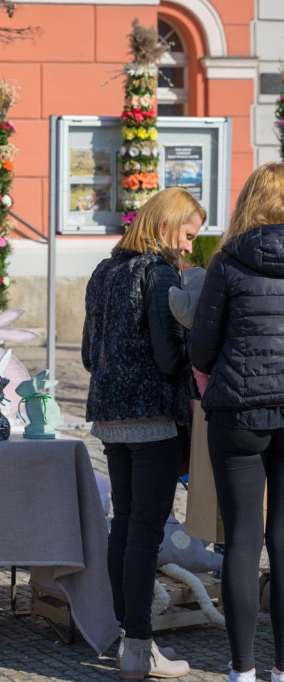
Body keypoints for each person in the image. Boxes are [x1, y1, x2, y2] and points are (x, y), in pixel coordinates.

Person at [82, 186, 204, 680]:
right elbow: (168, 357)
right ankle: (138, 647)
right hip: (154, 417)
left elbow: (88, 355)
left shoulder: (104, 270)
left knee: (125, 524)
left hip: (110, 416)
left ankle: (126, 637)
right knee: (145, 531)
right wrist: (197, 340)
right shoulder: (158, 273)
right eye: (188, 235)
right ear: (167, 225)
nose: (190, 246)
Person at [188, 162, 284, 682]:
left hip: (240, 411)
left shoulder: (227, 261)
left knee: (243, 540)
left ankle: (242, 670)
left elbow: (202, 348)